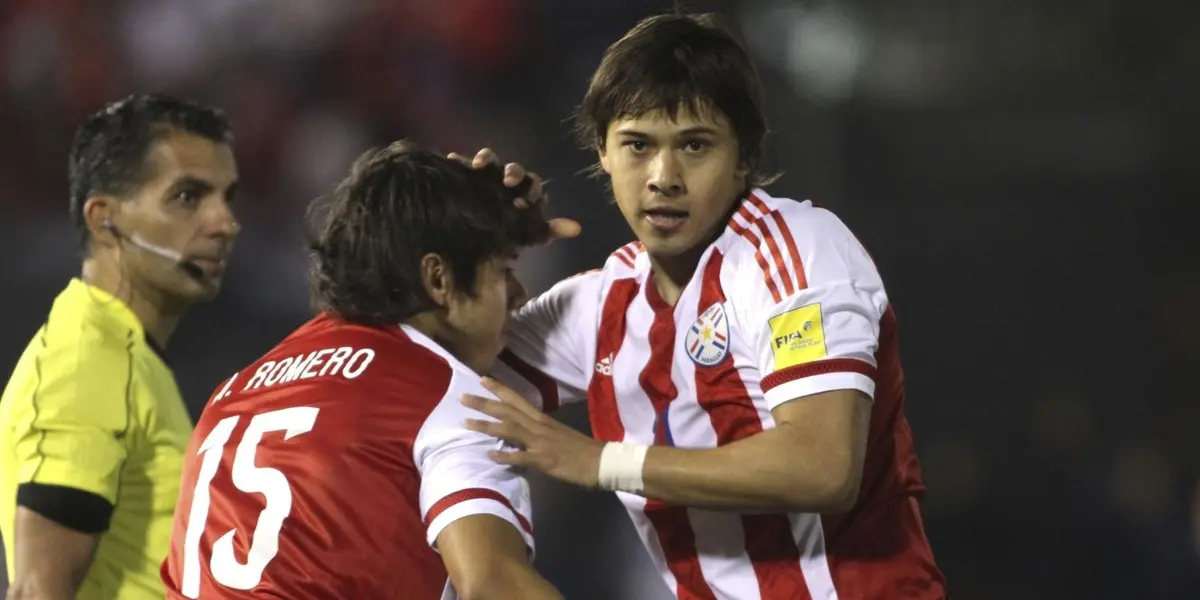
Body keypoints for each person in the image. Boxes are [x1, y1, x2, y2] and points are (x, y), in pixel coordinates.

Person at [459, 12, 948, 599]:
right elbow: (428, 371)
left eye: (694, 145)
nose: (663, 177)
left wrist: (600, 461)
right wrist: (465, 238)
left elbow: (822, 465)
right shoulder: (601, 303)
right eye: (637, 146)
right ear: (603, 155)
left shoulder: (799, 250)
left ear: (744, 157)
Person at [160, 141, 566, 600]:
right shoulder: (445, 394)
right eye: (502, 268)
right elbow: (494, 585)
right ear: (438, 279)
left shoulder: (233, 392)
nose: (518, 291)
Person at [0, 94, 240, 600]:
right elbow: (38, 590)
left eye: (227, 197)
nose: (225, 222)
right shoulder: (88, 360)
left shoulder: (129, 358)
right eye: (188, 197)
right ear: (104, 219)